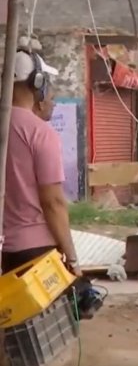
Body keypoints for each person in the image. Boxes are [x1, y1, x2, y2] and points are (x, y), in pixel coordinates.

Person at [1, 50, 80, 278]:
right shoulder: (39, 133)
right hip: (33, 250)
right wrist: (72, 258)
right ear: (38, 82)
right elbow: (53, 202)